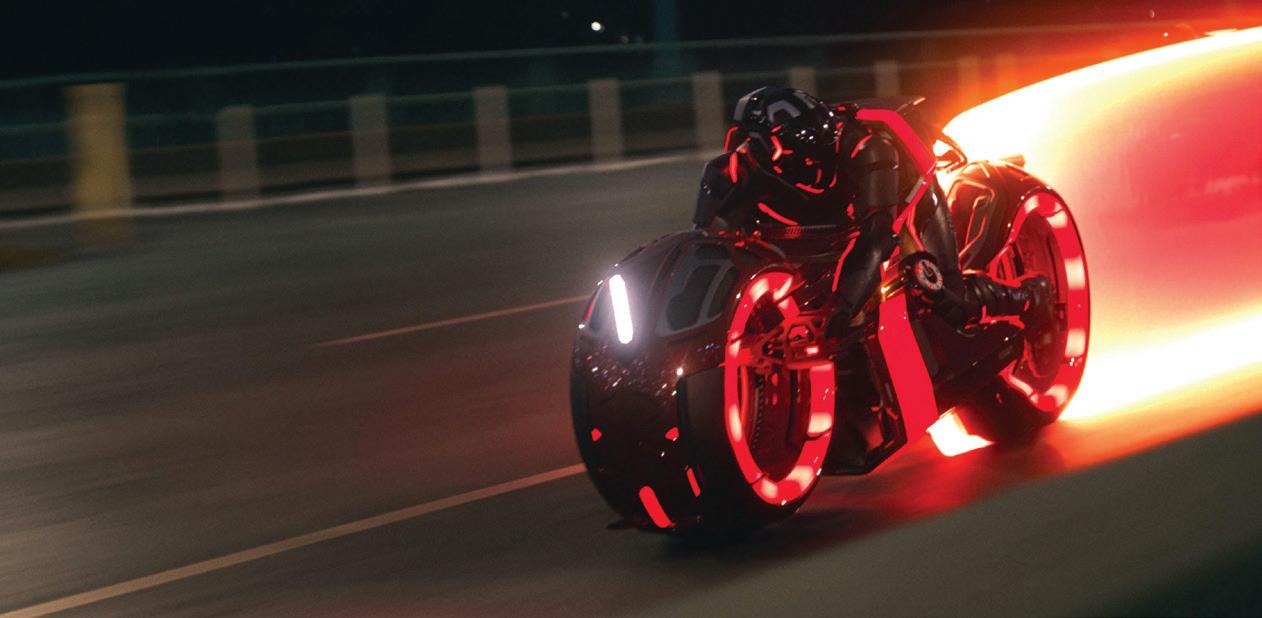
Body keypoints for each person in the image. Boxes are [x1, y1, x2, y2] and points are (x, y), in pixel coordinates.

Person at [692, 86, 1051, 335]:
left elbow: (879, 235)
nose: (818, 158)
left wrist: (841, 306)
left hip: (905, 203)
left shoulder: (867, 148)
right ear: (766, 150)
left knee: (949, 300)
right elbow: (706, 242)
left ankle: (1031, 296)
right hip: (830, 227)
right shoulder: (730, 170)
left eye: (823, 145)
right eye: (806, 155)